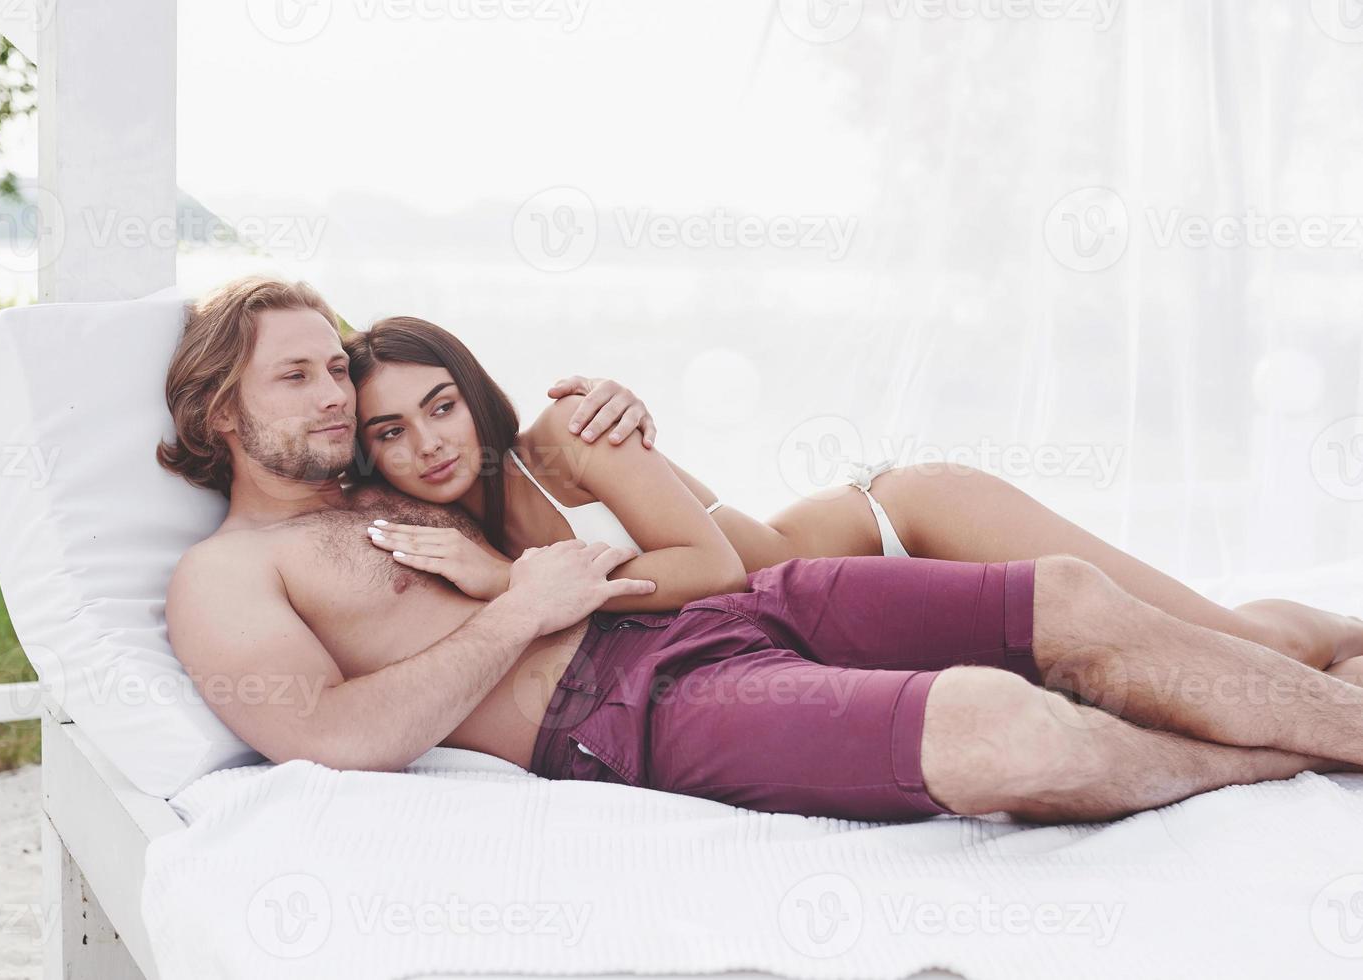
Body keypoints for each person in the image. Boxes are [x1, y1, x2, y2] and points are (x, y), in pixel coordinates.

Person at [160, 276, 1363, 826]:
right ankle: (1260, 758)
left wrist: (614, 422)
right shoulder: (227, 577)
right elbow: (328, 737)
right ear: (224, 411)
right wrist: (517, 609)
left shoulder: (394, 464)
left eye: (336, 366)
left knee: (1070, 595)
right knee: (1002, 729)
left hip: (734, 598)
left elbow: (502, 444)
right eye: (303, 375)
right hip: (630, 696)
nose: (336, 394)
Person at [346, 315, 1363, 673]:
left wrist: (514, 582)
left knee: (1243, 651)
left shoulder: (565, 434)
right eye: (389, 430)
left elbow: (714, 567)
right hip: (863, 615)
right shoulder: (435, 525)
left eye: (439, 404)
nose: (427, 441)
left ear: (471, 388)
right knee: (1180, 670)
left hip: (903, 525)